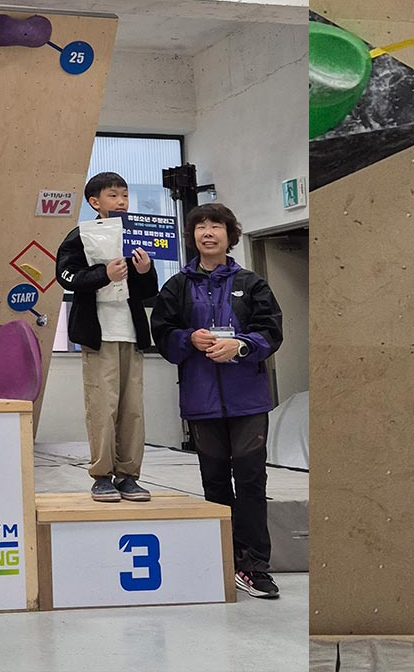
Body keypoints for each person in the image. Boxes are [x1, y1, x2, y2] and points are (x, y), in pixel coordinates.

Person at [151, 202, 286, 599]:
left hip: (248, 402)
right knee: (214, 483)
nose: (207, 233)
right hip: (201, 401)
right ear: (192, 236)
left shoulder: (252, 283)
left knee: (251, 481)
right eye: (200, 227)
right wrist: (188, 338)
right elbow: (163, 334)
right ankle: (222, 561)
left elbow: (271, 331)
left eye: (216, 226)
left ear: (230, 235)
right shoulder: (176, 286)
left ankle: (255, 566)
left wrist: (240, 345)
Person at [55, 171, 160, 503]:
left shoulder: (136, 234)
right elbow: (66, 276)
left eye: (125, 195)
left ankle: (128, 475)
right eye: (113, 195)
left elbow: (149, 290)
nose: (122, 201)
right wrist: (105, 274)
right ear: (95, 202)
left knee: (133, 410)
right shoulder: (81, 235)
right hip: (98, 334)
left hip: (131, 333)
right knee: (103, 407)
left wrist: (145, 271)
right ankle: (101, 475)